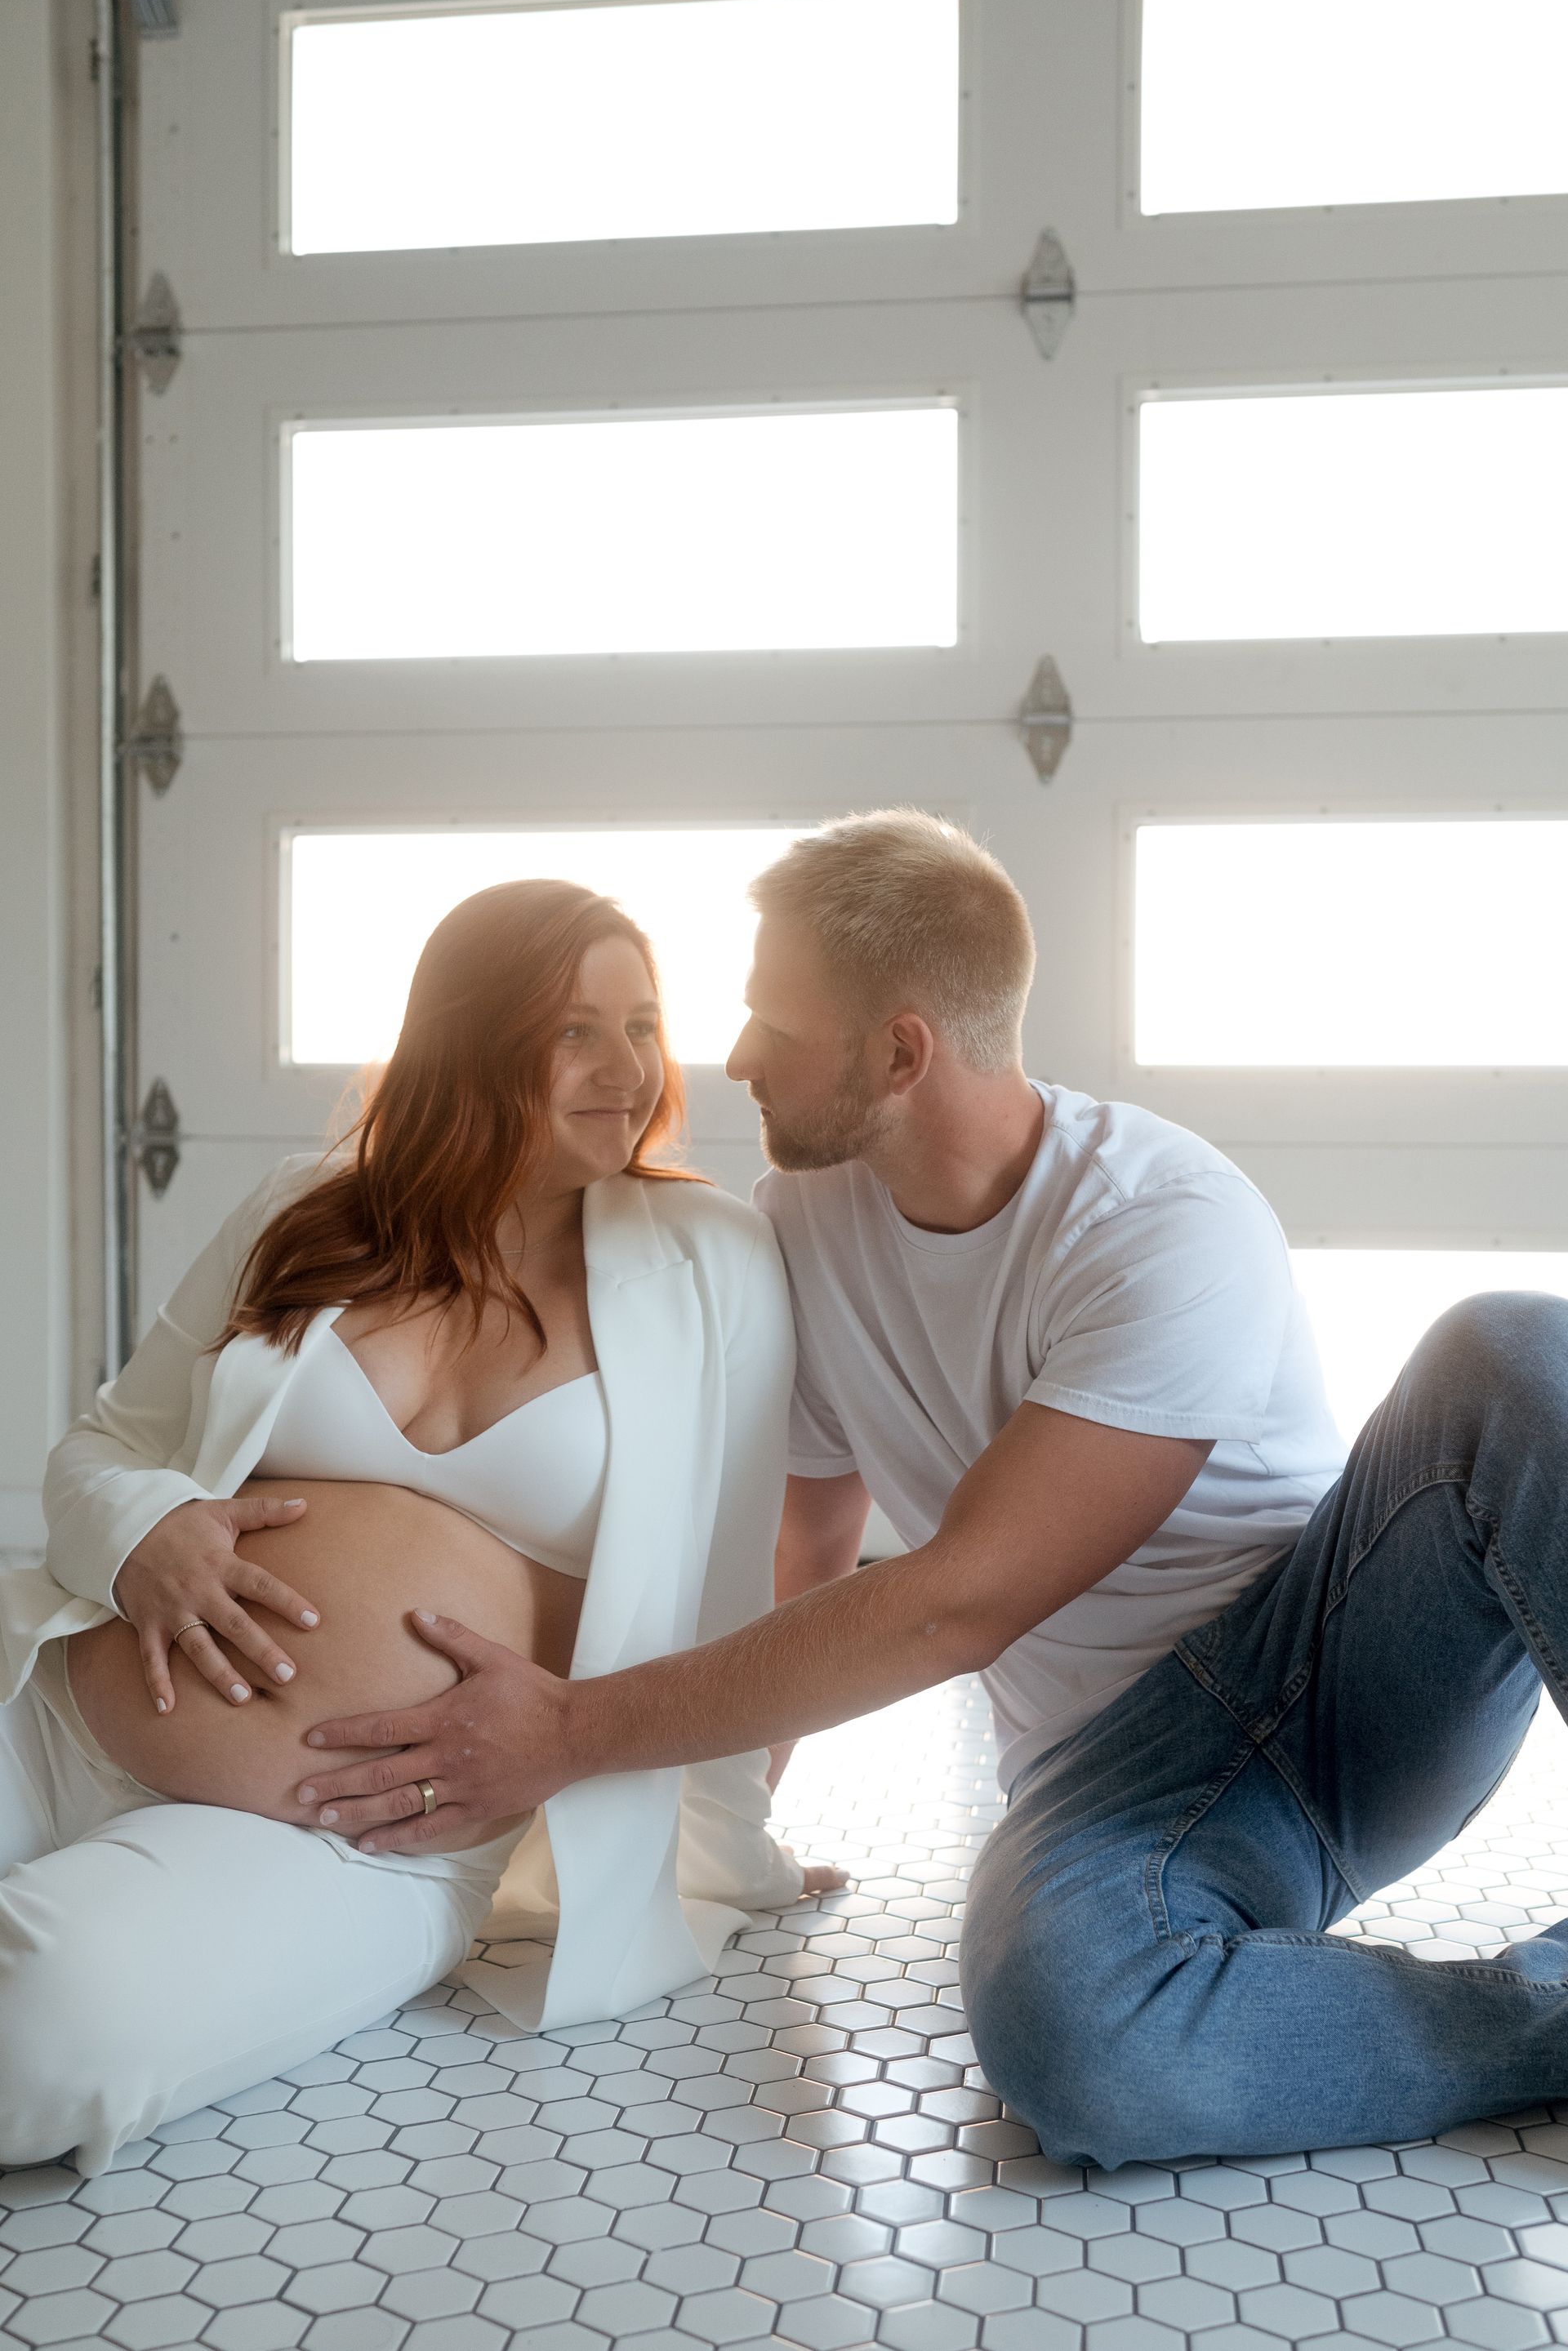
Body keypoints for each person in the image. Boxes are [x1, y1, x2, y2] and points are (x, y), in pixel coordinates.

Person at [301, 810, 1568, 2167]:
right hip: (1117, 1774)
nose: (731, 1061)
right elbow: (810, 1531)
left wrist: (568, 1731)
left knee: (1510, 1348)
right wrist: (734, 1823)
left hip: (1339, 1673)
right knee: (1071, 2028)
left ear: (899, 1051)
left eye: (770, 1026)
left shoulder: (1161, 1222)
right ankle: (1544, 2019)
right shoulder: (805, 1219)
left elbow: (957, 1603)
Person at [1, 878, 834, 2177]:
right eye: (576, 1030)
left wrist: (734, 1839)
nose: (627, 1068)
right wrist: (146, 1531)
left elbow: (729, 1591)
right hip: (65, 1695)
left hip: (359, 1837)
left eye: (645, 1024)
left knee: (43, 2030)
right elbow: (102, 1448)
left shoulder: (711, 1264)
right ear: (470, 1037)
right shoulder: (307, 1206)